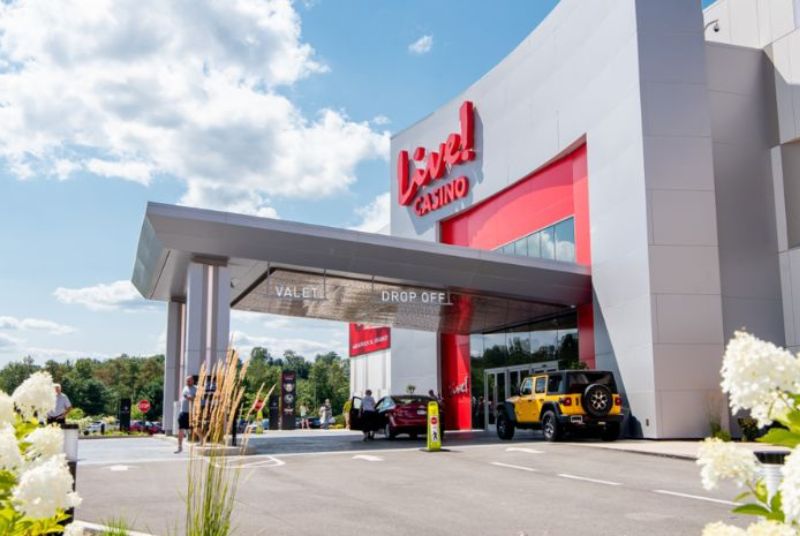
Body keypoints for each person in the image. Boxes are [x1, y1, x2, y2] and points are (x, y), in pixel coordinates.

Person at [175, 375, 196, 454]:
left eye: (189, 380)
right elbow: (186, 397)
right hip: (183, 412)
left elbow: (193, 398)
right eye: (187, 381)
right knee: (180, 429)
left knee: (196, 429)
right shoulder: (185, 388)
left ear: (193, 381)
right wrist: (188, 397)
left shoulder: (196, 388)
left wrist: (190, 397)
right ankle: (179, 447)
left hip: (191, 413)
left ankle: (201, 441)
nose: (187, 382)